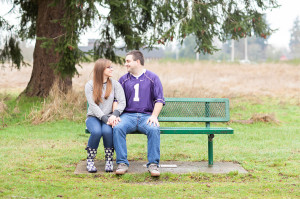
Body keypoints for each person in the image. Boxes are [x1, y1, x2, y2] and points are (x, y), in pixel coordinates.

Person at [113, 50, 165, 177]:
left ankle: (153, 164)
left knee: (153, 129)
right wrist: (115, 115)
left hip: (146, 116)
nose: (126, 64)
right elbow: (116, 100)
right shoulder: (123, 79)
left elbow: (159, 100)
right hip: (128, 116)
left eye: (128, 61)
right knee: (118, 127)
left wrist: (154, 116)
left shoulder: (152, 78)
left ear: (137, 62)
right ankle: (122, 163)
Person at [85, 58, 126, 173]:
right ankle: (90, 160)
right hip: (93, 117)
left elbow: (122, 102)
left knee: (108, 132)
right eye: (109, 67)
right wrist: (104, 118)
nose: (111, 69)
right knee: (97, 132)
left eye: (111, 67)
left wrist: (115, 115)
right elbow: (92, 105)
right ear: (101, 69)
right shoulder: (89, 85)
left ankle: (109, 160)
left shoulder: (115, 84)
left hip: (109, 117)